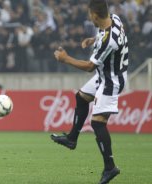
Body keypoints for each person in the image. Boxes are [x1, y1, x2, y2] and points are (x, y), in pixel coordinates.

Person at [50, 0, 128, 183]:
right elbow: (106, 38)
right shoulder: (113, 19)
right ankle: (72, 139)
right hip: (105, 74)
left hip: (111, 80)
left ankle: (110, 167)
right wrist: (94, 40)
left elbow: (90, 66)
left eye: (89, 14)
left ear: (94, 14)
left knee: (98, 123)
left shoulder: (109, 41)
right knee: (81, 97)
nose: (89, 17)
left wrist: (65, 58)